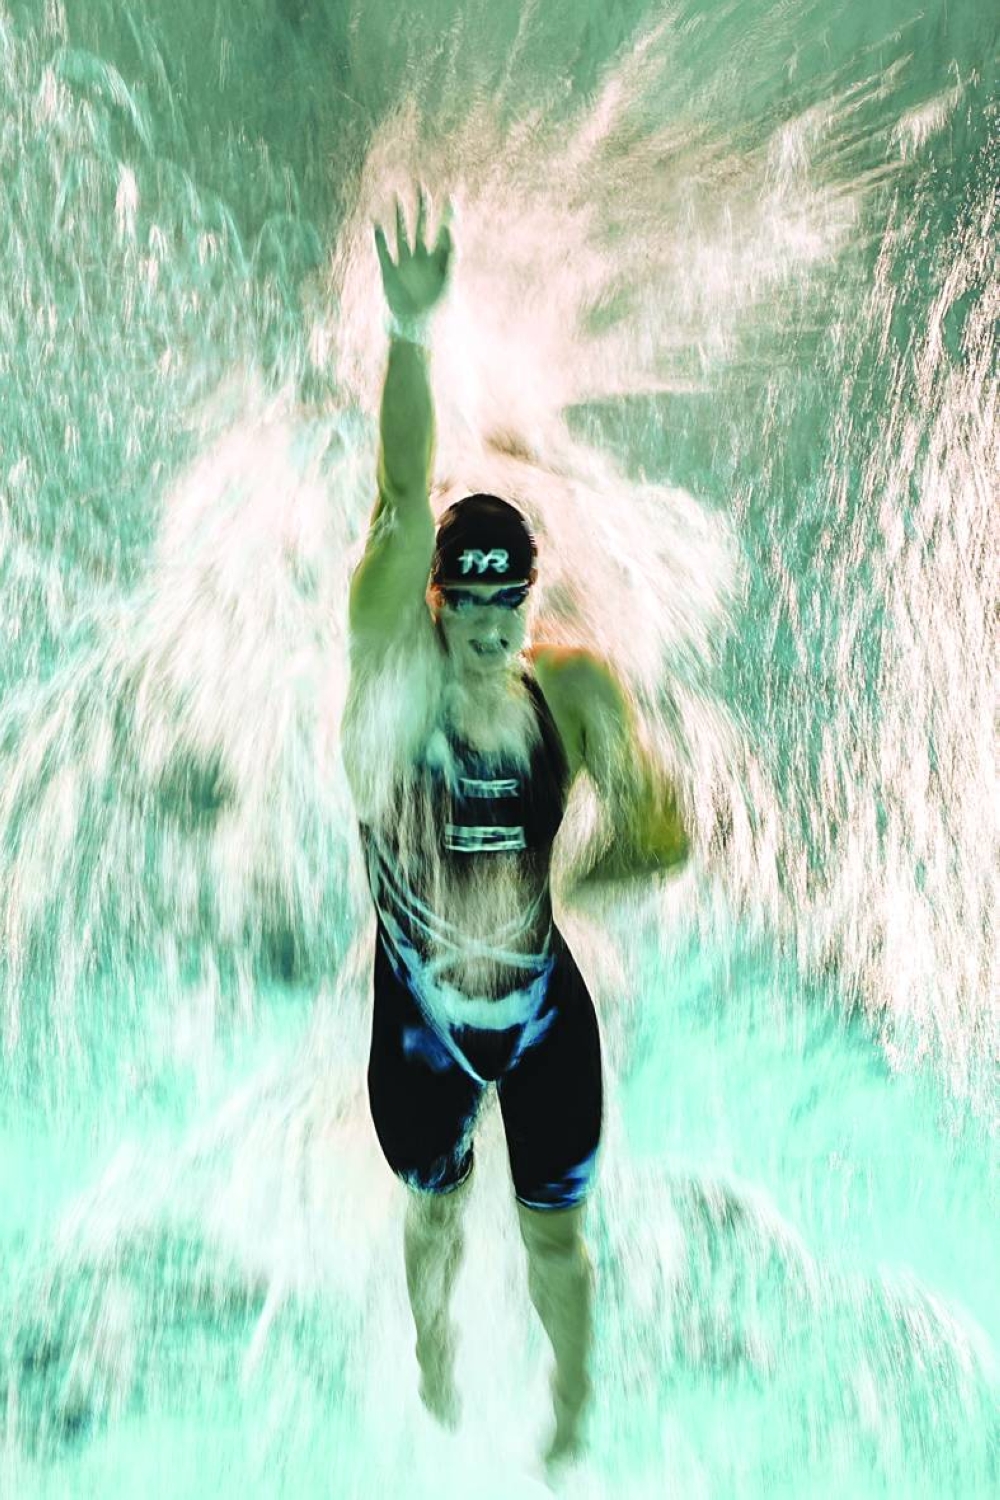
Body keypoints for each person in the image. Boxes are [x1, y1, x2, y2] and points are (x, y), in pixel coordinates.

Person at [342, 190, 689, 1471]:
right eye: (468, 606)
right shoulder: (399, 683)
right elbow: (395, 499)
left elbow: (662, 829)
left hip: (544, 1013)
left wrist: (627, 851)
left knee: (557, 1238)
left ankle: (572, 1410)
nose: (492, 631)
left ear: (528, 602)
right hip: (422, 1021)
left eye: (511, 608)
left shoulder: (572, 692)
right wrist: (411, 331)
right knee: (431, 1222)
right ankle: (434, 1356)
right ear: (435, 604)